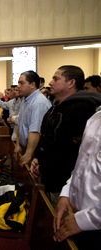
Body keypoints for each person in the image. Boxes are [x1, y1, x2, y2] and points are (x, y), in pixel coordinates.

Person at [30, 65, 101, 206]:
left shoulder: (82, 108)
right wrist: (37, 157)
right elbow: (46, 136)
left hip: (64, 184)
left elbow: (71, 150)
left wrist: (44, 168)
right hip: (48, 176)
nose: (50, 82)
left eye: (56, 78)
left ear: (71, 83)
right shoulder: (56, 106)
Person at [53, 106, 101, 250]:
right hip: (76, 216)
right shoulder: (96, 117)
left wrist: (86, 220)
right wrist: (67, 192)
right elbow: (83, 163)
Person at [14, 70, 52, 166]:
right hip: (26, 148)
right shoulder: (26, 100)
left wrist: (28, 154)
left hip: (35, 152)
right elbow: (20, 124)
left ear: (32, 85)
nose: (18, 86)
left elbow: (35, 131)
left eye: (21, 83)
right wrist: (18, 144)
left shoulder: (38, 103)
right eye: (18, 82)